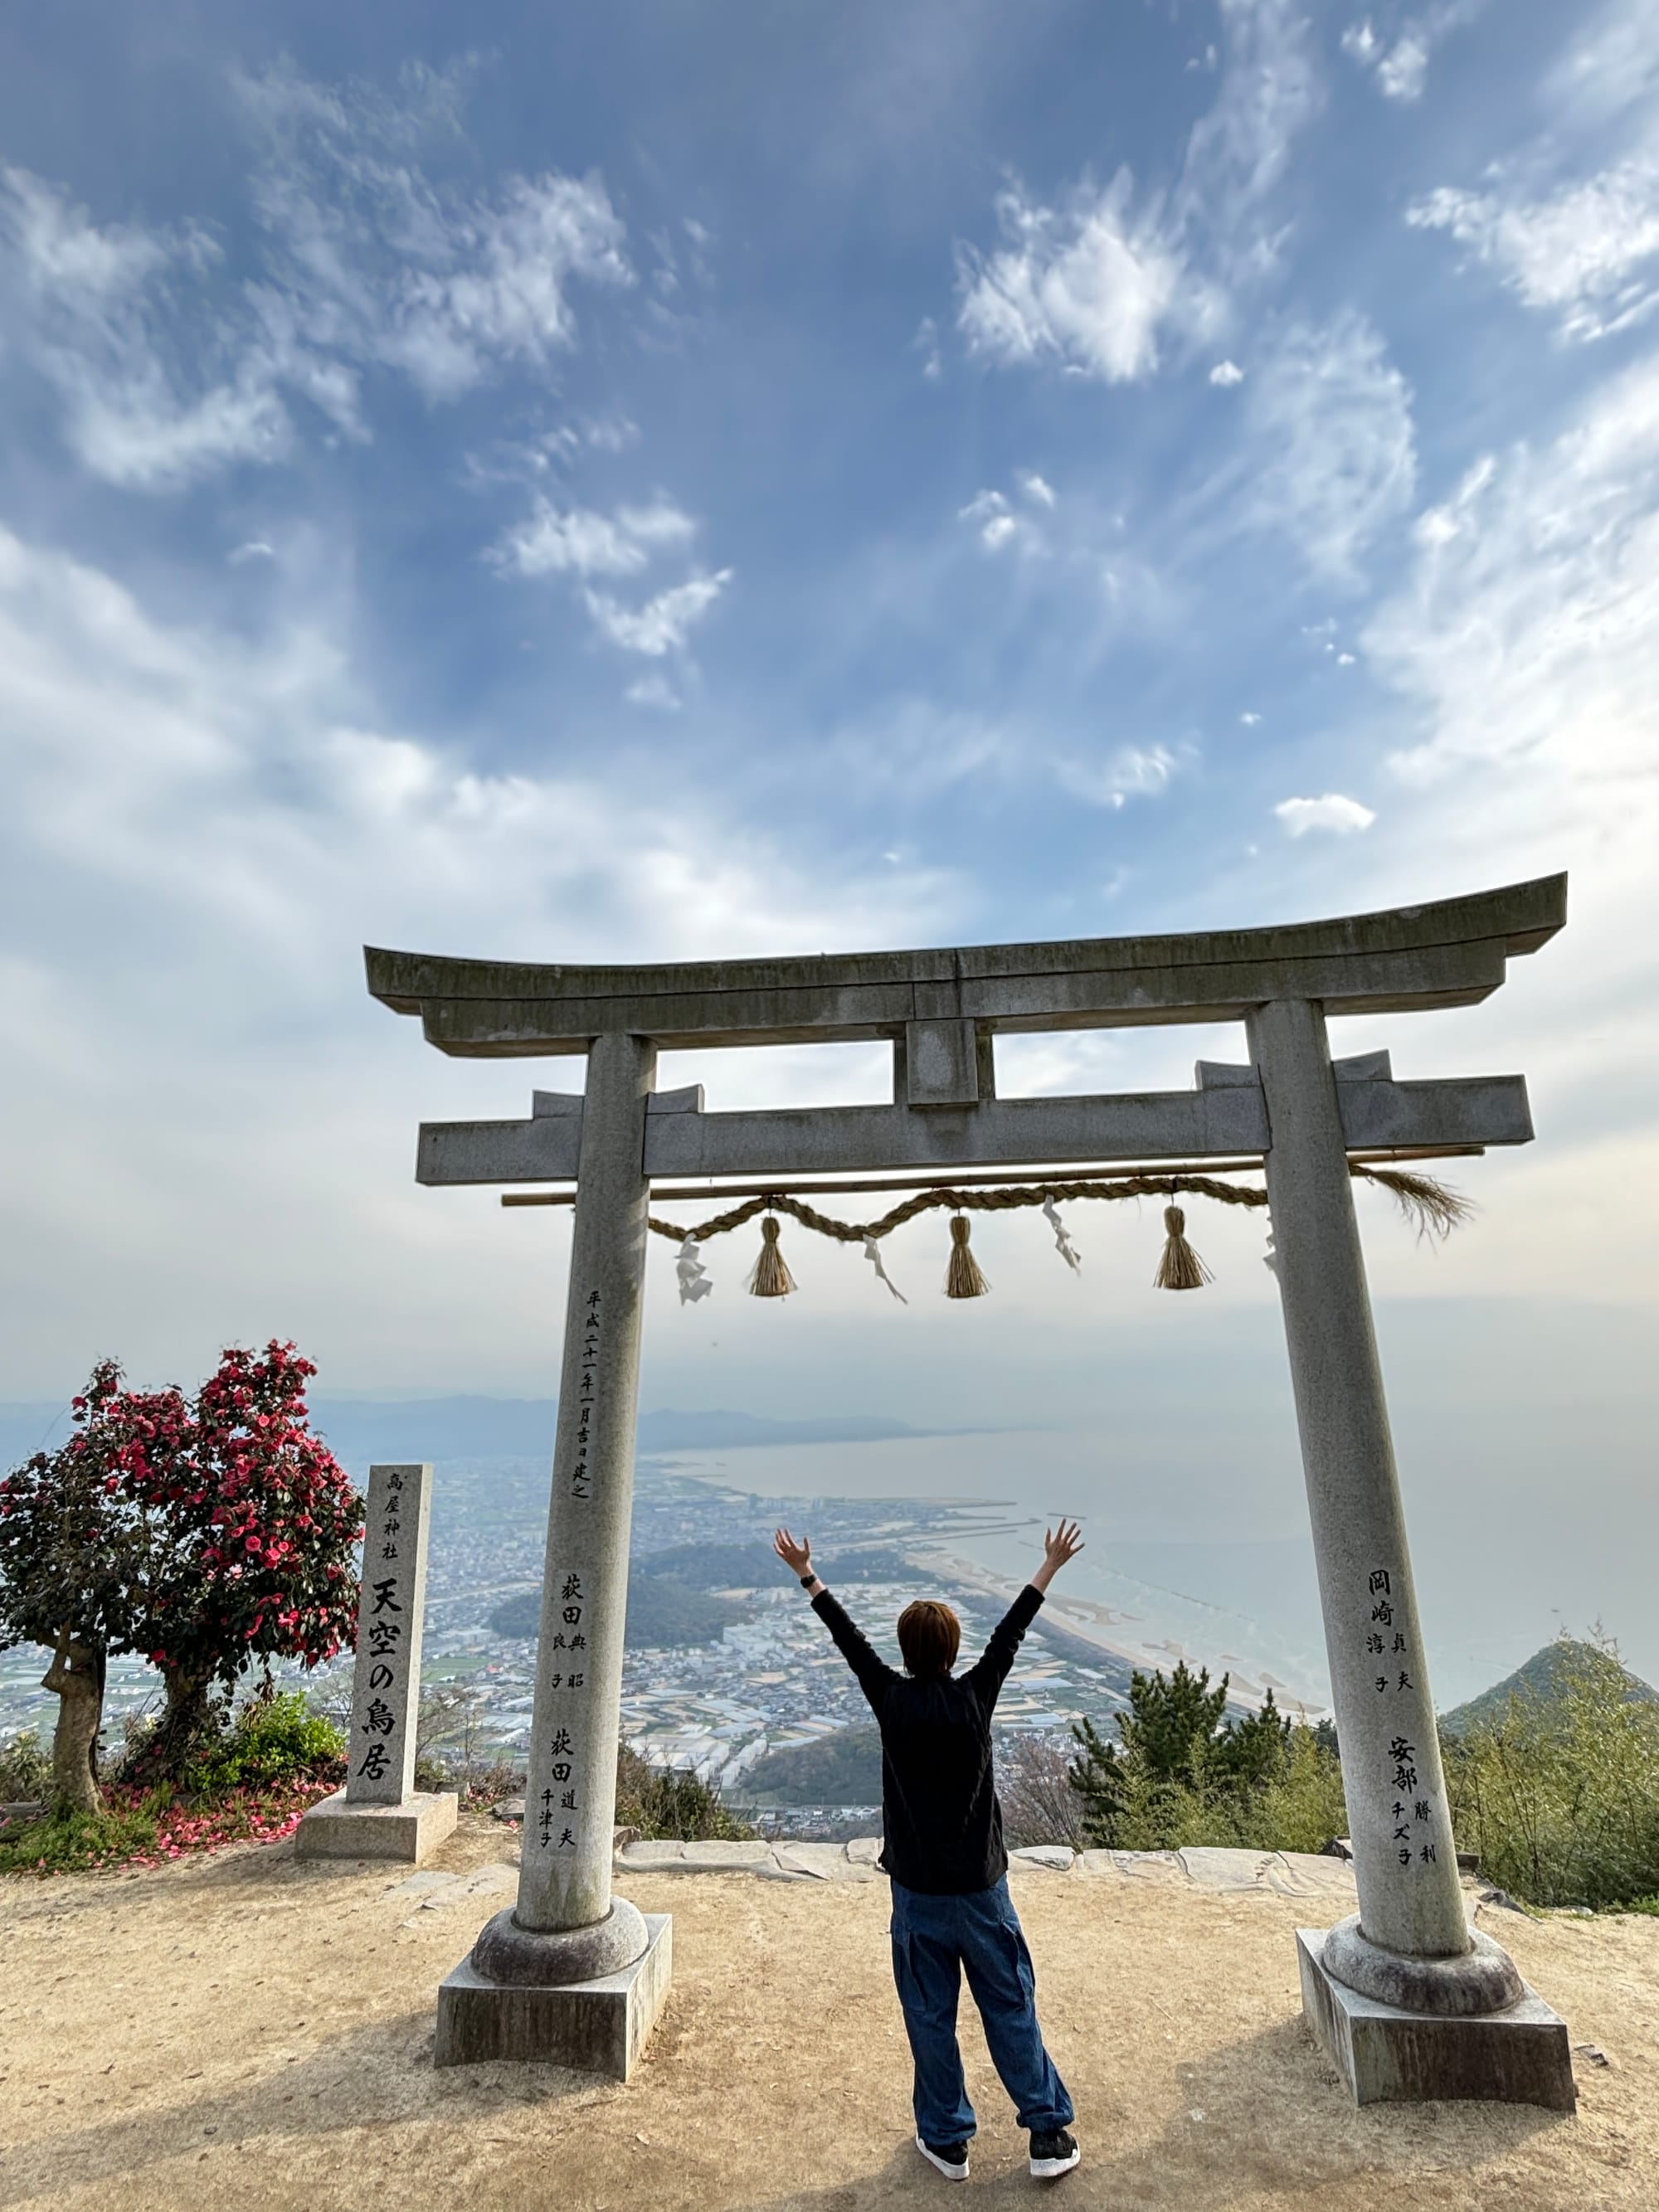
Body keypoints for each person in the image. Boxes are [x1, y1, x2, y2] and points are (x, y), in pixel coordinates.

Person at [771, 1517, 1087, 2185]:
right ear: (952, 1648)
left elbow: (848, 1639)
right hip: (981, 1889)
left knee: (930, 2017)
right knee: (1010, 2007)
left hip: (917, 1895)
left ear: (907, 1652)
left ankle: (947, 2140)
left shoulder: (891, 1699)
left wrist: (809, 1573)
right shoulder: (976, 1697)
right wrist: (1049, 1565)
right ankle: (1048, 2134)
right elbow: (1012, 1633)